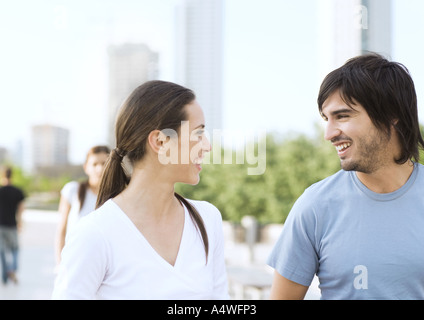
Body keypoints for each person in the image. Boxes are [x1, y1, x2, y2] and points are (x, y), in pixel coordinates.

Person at [52, 80, 229, 300]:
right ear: (160, 141)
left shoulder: (207, 220)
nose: (207, 145)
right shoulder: (95, 234)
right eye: (198, 133)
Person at [267, 53, 424, 300]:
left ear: (391, 113)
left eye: (342, 116)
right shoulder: (315, 206)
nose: (329, 134)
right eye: (326, 119)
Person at [54, 145, 110, 266]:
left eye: (104, 163)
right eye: (95, 164)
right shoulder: (73, 190)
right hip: (73, 261)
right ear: (86, 167)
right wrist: (60, 264)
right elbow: (61, 230)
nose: (99, 168)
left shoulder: (116, 197)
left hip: (103, 265)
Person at [0, 167, 25, 285]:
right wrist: (19, 222)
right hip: (12, 224)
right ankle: (12, 270)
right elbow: (21, 209)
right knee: (15, 250)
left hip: (0, 225)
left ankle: (5, 276)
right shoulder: (18, 191)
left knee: (2, 251)